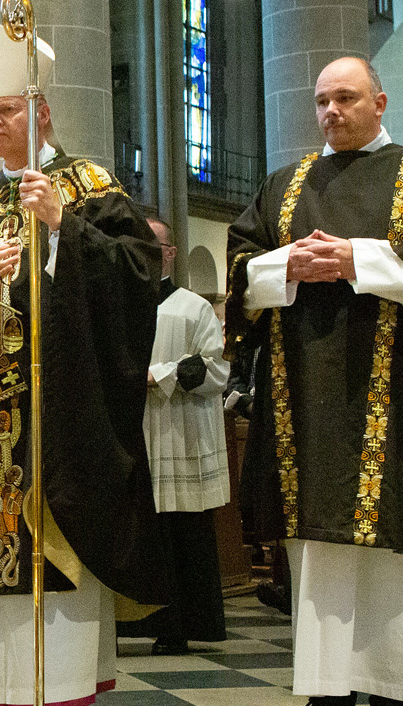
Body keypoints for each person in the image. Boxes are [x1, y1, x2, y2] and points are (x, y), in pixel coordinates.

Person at [226, 56, 403, 706]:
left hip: (398, 398)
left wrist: (359, 261)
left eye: (345, 98)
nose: (330, 111)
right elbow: (241, 265)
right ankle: (326, 701)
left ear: (379, 100)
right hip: (304, 399)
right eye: (321, 101)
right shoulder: (287, 184)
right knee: (319, 555)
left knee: (396, 552)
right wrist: (287, 267)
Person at [0, 21, 165, 706]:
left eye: (7, 111)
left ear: (43, 112)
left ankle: (67, 689)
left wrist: (64, 230)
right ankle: (3, 691)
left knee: (62, 541)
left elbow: (139, 278)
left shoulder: (90, 187)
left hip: (66, 413)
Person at [126, 217, 231, 655]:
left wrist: (161, 374)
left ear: (170, 253)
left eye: (154, 246)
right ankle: (129, 623)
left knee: (181, 533)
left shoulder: (193, 307)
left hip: (180, 433)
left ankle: (181, 626)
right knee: (138, 530)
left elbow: (216, 368)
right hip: (134, 435)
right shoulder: (118, 303)